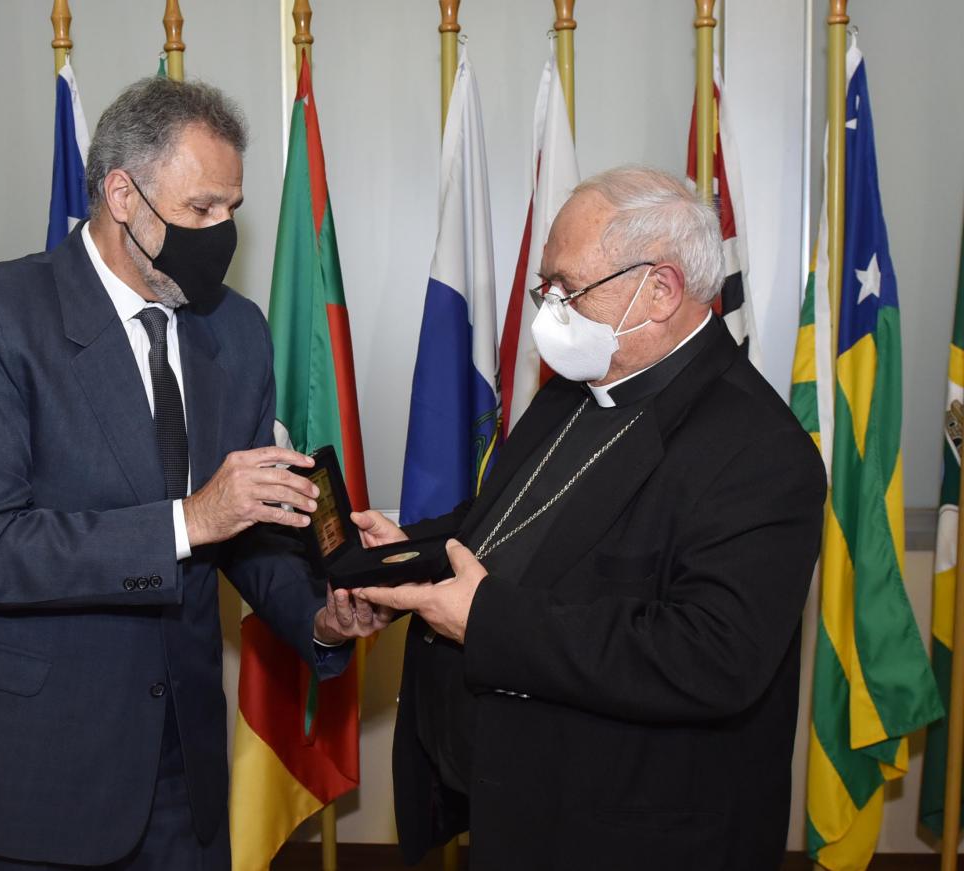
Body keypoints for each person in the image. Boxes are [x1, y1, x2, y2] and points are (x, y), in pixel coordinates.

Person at [0, 76, 390, 870]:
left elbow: (247, 530)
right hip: (38, 769)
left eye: (233, 209)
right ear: (122, 194)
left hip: (184, 772)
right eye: (202, 210)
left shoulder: (236, 332)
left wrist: (322, 613)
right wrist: (187, 520)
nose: (223, 233)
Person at [354, 166, 826, 871]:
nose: (551, 311)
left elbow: (711, 655)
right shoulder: (579, 387)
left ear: (660, 289)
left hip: (633, 835)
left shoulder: (762, 451)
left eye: (568, 289)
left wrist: (487, 620)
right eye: (548, 287)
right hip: (515, 808)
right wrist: (410, 552)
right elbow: (507, 520)